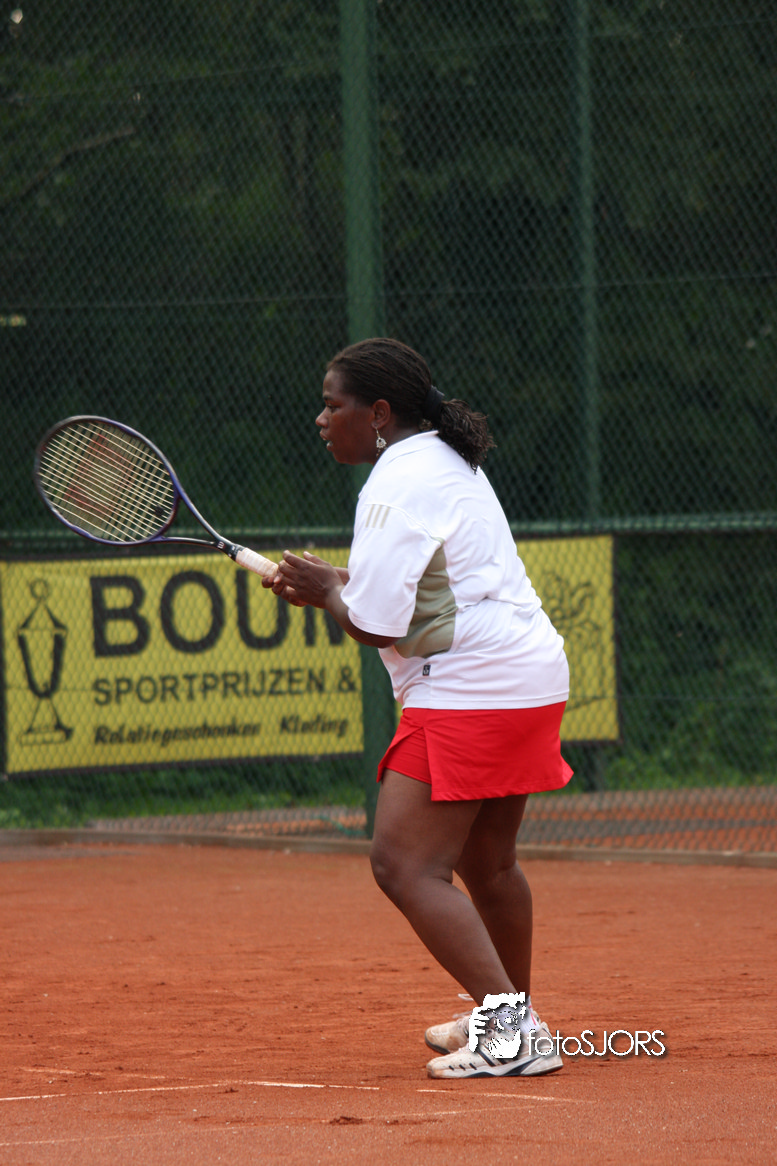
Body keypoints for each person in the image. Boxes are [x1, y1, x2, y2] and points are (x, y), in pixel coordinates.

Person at [266, 337, 572, 1079]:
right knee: (487, 864)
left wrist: (327, 593)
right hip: (526, 673)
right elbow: (422, 589)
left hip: (472, 686)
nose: (321, 419)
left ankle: (512, 1032)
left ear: (377, 413)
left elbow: (374, 622)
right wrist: (333, 583)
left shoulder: (395, 482)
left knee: (402, 864)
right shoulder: (441, 459)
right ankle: (508, 1013)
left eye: (332, 405)